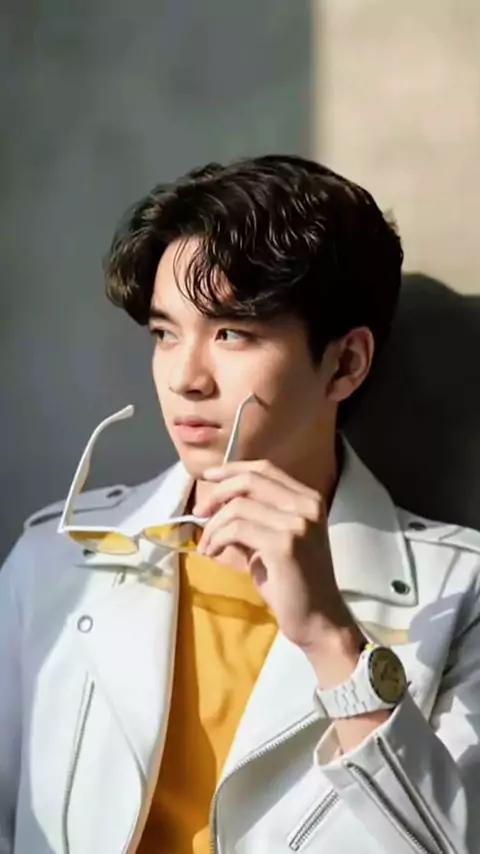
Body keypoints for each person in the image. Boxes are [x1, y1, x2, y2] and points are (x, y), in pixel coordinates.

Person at [1, 155, 479, 854]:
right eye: (165, 333)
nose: (185, 378)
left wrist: (331, 640)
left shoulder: (462, 591)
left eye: (232, 333)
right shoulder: (52, 563)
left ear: (345, 363)